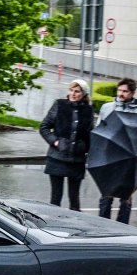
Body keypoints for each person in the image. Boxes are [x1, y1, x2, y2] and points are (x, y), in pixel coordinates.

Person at [96, 77, 137, 223]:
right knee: (106, 195)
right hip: (109, 158)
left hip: (128, 161)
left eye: (125, 91)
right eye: (119, 90)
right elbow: (99, 131)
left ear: (132, 93)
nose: (121, 94)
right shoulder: (107, 108)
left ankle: (122, 229)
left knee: (126, 198)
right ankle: (102, 226)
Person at [40, 79, 93, 211]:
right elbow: (44, 127)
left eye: (77, 91)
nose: (73, 94)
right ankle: (52, 225)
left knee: (74, 199)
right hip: (57, 157)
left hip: (77, 160)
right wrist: (55, 141)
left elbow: (90, 134)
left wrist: (85, 148)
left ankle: (74, 226)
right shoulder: (59, 105)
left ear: (84, 94)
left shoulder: (88, 110)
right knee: (56, 197)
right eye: (71, 90)